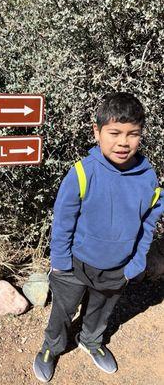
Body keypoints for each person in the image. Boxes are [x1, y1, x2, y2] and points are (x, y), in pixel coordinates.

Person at [33, 92, 164, 382]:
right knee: (63, 311)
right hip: (74, 265)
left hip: (119, 267)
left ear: (141, 135)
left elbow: (148, 223)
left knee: (101, 310)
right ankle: (51, 347)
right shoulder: (82, 172)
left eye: (132, 134)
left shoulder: (148, 178)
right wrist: (60, 263)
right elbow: (64, 221)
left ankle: (90, 341)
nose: (123, 142)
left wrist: (135, 263)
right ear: (97, 132)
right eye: (114, 132)